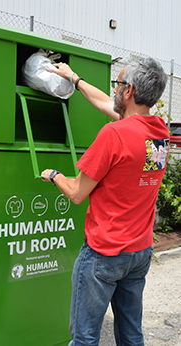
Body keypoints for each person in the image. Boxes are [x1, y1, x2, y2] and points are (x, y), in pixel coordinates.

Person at [41, 57, 169, 346]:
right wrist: (74, 79)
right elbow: (107, 105)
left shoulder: (114, 134)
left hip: (104, 254)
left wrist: (54, 175)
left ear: (129, 91)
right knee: (131, 334)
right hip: (139, 253)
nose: (113, 91)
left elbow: (76, 193)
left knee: (85, 338)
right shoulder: (159, 133)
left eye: (118, 84)